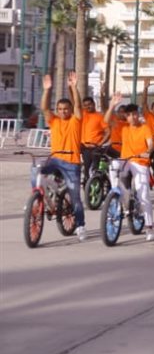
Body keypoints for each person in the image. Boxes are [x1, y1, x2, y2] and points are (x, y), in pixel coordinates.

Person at [39, 72, 87, 240]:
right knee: (36, 170)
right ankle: (39, 199)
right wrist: (47, 90)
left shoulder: (75, 120)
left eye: (65, 109)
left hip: (72, 162)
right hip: (55, 160)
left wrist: (74, 87)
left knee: (75, 197)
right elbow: (44, 108)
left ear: (70, 110)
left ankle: (80, 225)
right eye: (59, 109)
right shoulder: (54, 121)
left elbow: (78, 106)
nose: (62, 111)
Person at [107, 93, 154, 241]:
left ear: (138, 115)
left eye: (135, 114)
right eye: (129, 115)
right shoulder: (123, 127)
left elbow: (151, 144)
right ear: (126, 117)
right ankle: (116, 193)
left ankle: (149, 228)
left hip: (140, 162)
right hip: (126, 160)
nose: (132, 117)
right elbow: (107, 120)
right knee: (114, 165)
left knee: (143, 196)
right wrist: (112, 105)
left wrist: (148, 152)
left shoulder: (145, 128)